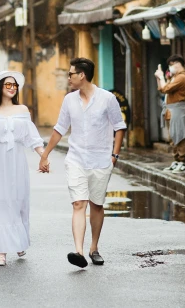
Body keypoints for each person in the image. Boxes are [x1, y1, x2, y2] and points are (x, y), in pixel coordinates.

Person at [40, 57, 127, 268]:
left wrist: (114, 156)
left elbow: (119, 126)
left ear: (82, 75)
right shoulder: (69, 100)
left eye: (71, 74)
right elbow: (60, 128)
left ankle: (93, 248)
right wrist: (45, 154)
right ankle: (78, 251)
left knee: (96, 205)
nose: (68, 78)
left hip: (101, 160)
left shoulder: (107, 99)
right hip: (76, 159)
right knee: (79, 203)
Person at [0, 71, 45, 267]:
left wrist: (44, 156)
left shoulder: (23, 110)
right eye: (8, 85)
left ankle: (19, 241)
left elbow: (32, 138)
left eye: (14, 85)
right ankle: (0, 251)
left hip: (17, 163)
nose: (12, 88)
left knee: (18, 202)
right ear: (0, 87)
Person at [155, 54, 185, 173]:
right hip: (170, 110)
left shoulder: (181, 77)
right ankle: (176, 160)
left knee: (179, 135)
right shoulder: (174, 77)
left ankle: (183, 162)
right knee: (172, 136)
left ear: (177, 64)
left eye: (171, 64)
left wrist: (162, 78)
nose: (170, 67)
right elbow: (161, 88)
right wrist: (159, 78)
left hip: (177, 109)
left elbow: (166, 89)